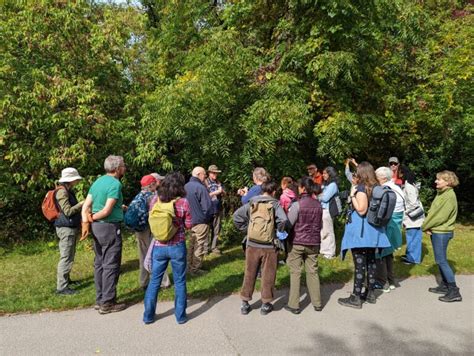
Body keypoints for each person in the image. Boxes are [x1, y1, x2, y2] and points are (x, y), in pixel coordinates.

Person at [338, 162, 391, 309]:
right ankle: (370, 293)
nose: (355, 175)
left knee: (359, 265)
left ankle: (355, 297)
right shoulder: (376, 187)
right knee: (371, 262)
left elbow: (361, 210)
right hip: (373, 231)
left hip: (362, 233)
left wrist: (352, 195)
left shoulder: (361, 188)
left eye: (356, 172)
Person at [143, 172, 192, 324]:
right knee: (180, 281)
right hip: (177, 245)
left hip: (158, 245)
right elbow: (189, 225)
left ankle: (148, 316)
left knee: (154, 281)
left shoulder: (154, 200)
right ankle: (180, 316)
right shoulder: (183, 202)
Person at [81, 155, 127, 314]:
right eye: (123, 166)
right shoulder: (115, 184)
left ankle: (100, 299)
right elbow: (106, 210)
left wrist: (87, 221)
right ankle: (108, 303)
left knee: (99, 262)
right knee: (111, 264)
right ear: (117, 168)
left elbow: (85, 206)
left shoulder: (98, 182)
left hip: (96, 228)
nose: (125, 168)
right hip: (109, 227)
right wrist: (92, 217)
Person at [233, 180, 287, 315]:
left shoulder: (252, 202)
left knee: (249, 272)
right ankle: (265, 304)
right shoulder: (275, 204)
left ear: (262, 190)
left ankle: (245, 303)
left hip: (252, 244)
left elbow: (236, 217)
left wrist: (248, 230)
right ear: (274, 191)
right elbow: (284, 220)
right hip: (269, 245)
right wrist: (278, 232)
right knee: (268, 274)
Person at [284, 177, 323, 314]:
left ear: (303, 188)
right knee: (313, 272)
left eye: (299, 186)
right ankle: (317, 303)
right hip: (314, 242)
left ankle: (294, 305)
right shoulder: (318, 204)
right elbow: (320, 225)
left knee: (295, 272)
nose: (298, 188)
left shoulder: (297, 204)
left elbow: (289, 224)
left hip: (297, 242)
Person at [422, 170, 462, 302]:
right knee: (440, 260)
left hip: (442, 232)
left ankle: (454, 291)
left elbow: (440, 217)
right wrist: (429, 226)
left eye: (439, 179)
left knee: (441, 261)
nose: (435, 181)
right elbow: (433, 213)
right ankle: (445, 286)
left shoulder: (449, 196)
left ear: (448, 182)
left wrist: (425, 226)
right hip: (437, 231)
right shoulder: (442, 194)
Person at [374, 166, 404, 292]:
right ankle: (391, 280)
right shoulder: (396, 188)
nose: (375, 178)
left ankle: (382, 282)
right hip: (395, 223)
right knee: (388, 253)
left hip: (388, 223)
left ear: (383, 178)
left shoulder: (385, 189)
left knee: (380, 253)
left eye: (377, 176)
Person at [54, 168, 84, 295]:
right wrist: (82, 204)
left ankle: (67, 280)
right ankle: (62, 287)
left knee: (69, 255)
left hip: (68, 227)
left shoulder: (66, 190)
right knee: (66, 256)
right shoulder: (62, 192)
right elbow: (68, 211)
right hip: (65, 228)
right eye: (76, 179)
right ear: (70, 180)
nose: (77, 181)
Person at [185, 166, 213, 275]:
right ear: (198, 174)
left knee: (191, 244)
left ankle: (188, 266)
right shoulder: (201, 188)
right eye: (204, 175)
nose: (205, 177)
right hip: (200, 221)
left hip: (188, 222)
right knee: (199, 245)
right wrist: (207, 218)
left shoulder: (185, 187)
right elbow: (208, 207)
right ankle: (195, 269)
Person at [131, 175, 158, 290]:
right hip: (149, 229)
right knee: (155, 254)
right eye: (155, 183)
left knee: (142, 255)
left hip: (139, 229)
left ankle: (143, 282)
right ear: (151, 185)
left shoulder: (138, 196)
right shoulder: (152, 197)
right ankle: (162, 282)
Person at [399, 165, 425, 265]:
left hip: (413, 217)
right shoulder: (409, 184)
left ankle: (413, 259)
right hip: (413, 217)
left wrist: (405, 212)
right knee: (412, 236)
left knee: (413, 237)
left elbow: (413, 203)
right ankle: (410, 255)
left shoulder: (409, 186)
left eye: (400, 172)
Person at [318, 166, 339, 259]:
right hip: (323, 210)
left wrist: (319, 195)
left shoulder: (333, 185)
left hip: (328, 210)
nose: (323, 175)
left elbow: (325, 198)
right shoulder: (325, 185)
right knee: (323, 231)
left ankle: (330, 252)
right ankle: (323, 250)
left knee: (328, 231)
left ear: (330, 174)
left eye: (325, 173)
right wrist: (320, 195)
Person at [206, 165, 225, 256]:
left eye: (216, 173)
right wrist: (216, 192)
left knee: (216, 229)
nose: (216, 175)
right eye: (214, 173)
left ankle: (214, 247)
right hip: (208, 209)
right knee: (207, 229)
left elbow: (224, 193)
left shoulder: (218, 182)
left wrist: (222, 191)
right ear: (209, 173)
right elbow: (204, 195)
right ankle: (205, 249)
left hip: (218, 208)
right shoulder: (205, 182)